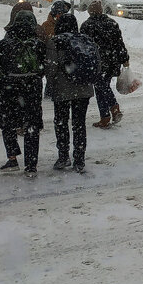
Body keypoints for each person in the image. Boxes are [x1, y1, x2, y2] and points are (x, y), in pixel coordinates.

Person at [0, 11, 47, 175]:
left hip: (9, 88)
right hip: (32, 88)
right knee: (31, 126)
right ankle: (31, 164)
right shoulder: (38, 44)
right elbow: (46, 67)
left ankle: (12, 157)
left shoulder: (5, 44)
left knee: (7, 123)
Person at [45, 13, 98, 173]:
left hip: (62, 89)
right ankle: (79, 159)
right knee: (79, 124)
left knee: (61, 123)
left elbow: (51, 68)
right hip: (84, 89)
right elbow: (97, 65)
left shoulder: (55, 42)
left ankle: (63, 156)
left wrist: (51, 83)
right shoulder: (86, 41)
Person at [80, 0, 129, 128]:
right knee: (102, 86)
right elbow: (119, 43)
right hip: (112, 61)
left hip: (97, 63)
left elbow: (84, 47)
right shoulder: (112, 23)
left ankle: (113, 108)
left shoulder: (87, 26)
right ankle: (106, 116)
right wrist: (124, 59)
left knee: (101, 87)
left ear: (90, 12)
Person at [41, 0, 71, 101]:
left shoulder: (68, 25)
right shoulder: (46, 26)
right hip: (51, 62)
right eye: (59, 13)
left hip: (65, 62)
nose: (61, 16)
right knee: (51, 84)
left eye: (63, 13)